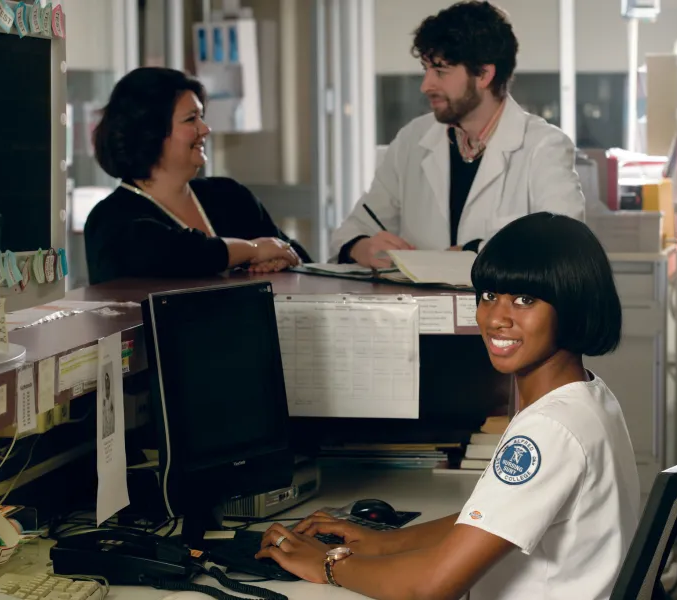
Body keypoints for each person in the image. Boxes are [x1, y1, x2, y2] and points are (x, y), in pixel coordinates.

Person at [257, 213, 640, 599]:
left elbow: (431, 587)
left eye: (525, 300)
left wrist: (328, 565)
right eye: (489, 295)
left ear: (573, 306)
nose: (496, 319)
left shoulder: (547, 431)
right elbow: (492, 520)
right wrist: (382, 542)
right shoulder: (589, 396)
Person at [330, 1, 587, 269]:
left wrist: (474, 252)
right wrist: (362, 247)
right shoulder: (412, 140)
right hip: (421, 311)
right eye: (426, 70)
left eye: (440, 71)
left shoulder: (543, 147)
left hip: (504, 311)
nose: (426, 85)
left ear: (484, 74)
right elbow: (349, 233)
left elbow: (564, 247)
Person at [85, 67, 311, 285]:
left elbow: (292, 253)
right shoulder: (111, 220)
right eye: (191, 119)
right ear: (150, 133)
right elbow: (176, 254)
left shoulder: (229, 195)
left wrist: (280, 259)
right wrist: (252, 251)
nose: (205, 129)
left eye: (201, 116)